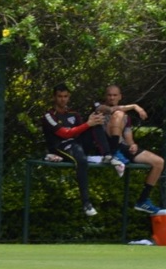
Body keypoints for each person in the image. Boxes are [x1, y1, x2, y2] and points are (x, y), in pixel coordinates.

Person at [41, 83, 123, 217]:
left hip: (76, 144)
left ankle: (108, 155)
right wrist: (87, 124)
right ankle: (86, 203)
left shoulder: (74, 114)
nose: (63, 99)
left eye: (65, 96)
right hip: (60, 147)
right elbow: (65, 134)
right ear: (54, 97)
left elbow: (82, 130)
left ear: (69, 97)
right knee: (82, 160)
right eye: (60, 96)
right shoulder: (49, 115)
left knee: (96, 122)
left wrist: (90, 123)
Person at [97, 85, 163, 214]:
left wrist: (133, 145)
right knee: (118, 113)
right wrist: (135, 106)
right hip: (105, 146)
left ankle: (143, 200)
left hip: (121, 146)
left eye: (115, 95)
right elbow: (112, 110)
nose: (112, 97)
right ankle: (114, 153)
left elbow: (128, 139)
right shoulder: (99, 107)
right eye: (109, 95)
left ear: (120, 96)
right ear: (105, 96)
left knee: (159, 162)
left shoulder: (126, 117)